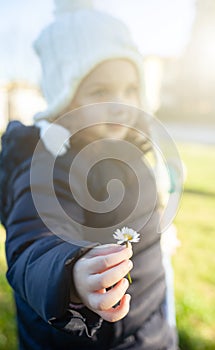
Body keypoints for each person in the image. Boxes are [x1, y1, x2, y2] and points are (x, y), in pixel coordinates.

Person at [0, 1, 179, 349]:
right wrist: (70, 274)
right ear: (63, 99)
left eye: (129, 89)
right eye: (100, 91)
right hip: (89, 337)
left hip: (148, 323)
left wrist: (159, 232)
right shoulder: (48, 164)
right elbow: (32, 243)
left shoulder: (130, 147)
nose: (119, 102)